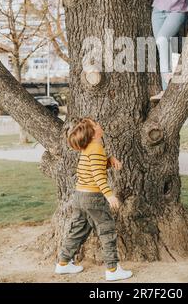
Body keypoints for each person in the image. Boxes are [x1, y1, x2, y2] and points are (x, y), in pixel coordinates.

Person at [54, 117, 133, 282]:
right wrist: (109, 195)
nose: (99, 124)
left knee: (78, 229)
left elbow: (92, 167)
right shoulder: (96, 147)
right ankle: (112, 269)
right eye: (95, 124)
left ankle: (63, 263)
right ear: (93, 133)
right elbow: (98, 176)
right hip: (92, 197)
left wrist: (109, 160)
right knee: (107, 229)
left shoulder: (89, 148)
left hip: (79, 196)